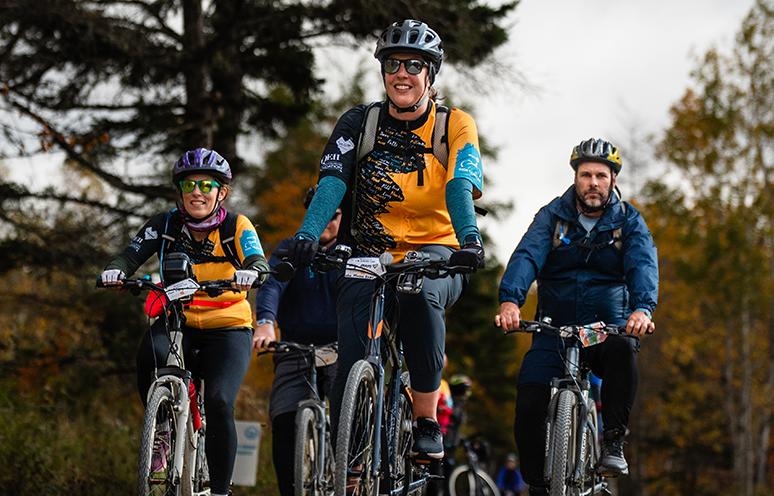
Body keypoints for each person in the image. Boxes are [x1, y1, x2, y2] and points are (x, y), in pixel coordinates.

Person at [285, 19, 485, 460]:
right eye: (393, 63)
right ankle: (349, 466)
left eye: (414, 65)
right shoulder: (359, 122)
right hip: (369, 253)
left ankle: (426, 417)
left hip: (437, 250)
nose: (402, 73)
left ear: (430, 75)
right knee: (352, 358)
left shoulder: (455, 125)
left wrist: (470, 238)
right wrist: (308, 233)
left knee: (418, 295)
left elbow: (458, 185)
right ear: (383, 71)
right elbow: (332, 181)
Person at [100, 148, 269, 496]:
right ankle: (162, 425)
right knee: (149, 354)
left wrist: (251, 273)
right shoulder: (164, 226)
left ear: (221, 192)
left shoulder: (236, 226)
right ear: (180, 191)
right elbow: (131, 254)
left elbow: (257, 260)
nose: (197, 191)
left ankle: (221, 490)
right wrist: (117, 271)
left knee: (220, 401)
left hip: (229, 326)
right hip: (179, 320)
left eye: (207, 185)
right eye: (189, 184)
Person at [494, 138, 658, 494]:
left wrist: (642, 309)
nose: (593, 183)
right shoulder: (552, 216)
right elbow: (527, 256)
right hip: (554, 330)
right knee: (529, 404)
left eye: (601, 175)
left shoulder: (628, 221)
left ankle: (613, 442)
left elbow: (643, 263)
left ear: (613, 179)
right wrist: (510, 301)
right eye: (586, 175)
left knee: (623, 352)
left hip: (606, 328)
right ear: (575, 178)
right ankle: (539, 484)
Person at [253, 187, 342, 496]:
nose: (327, 221)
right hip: (295, 348)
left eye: (335, 214)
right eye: (320, 212)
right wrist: (265, 323)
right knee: (283, 418)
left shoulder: (354, 253)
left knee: (352, 420)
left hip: (340, 350)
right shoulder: (291, 248)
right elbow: (272, 285)